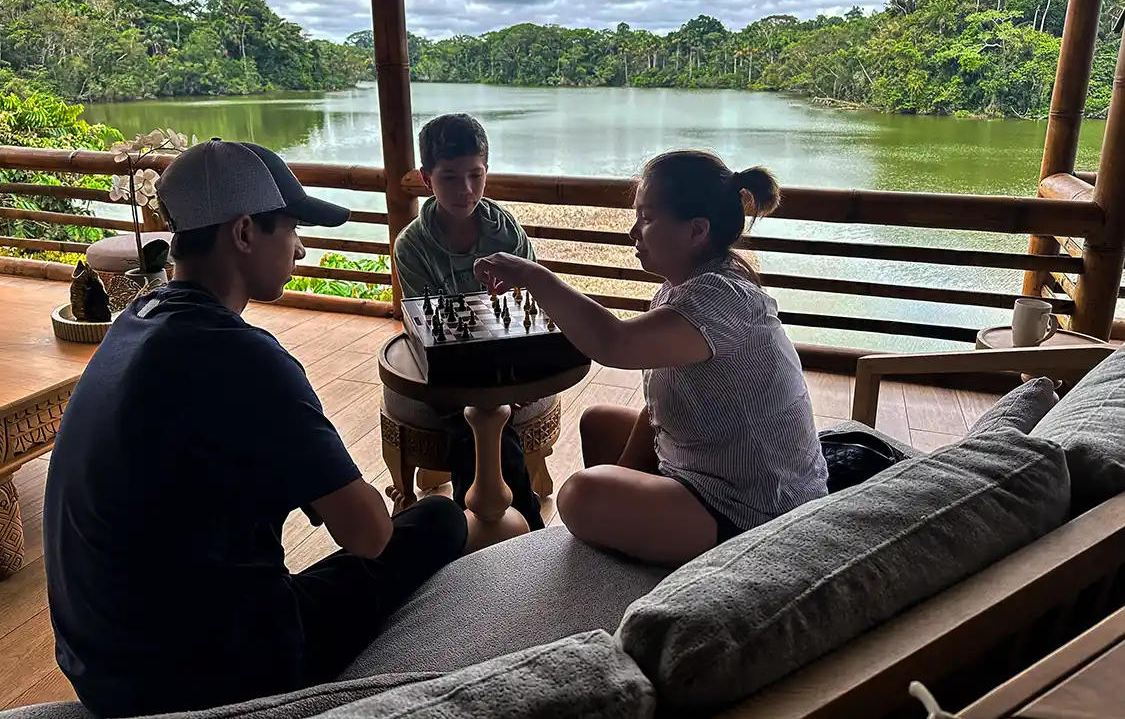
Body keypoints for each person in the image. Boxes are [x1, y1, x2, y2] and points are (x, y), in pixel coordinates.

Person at [42, 138, 468, 719]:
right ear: (244, 233)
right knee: (438, 519)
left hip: (99, 666)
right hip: (211, 674)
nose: (300, 244)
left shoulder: (131, 325)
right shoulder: (243, 356)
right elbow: (369, 535)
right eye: (289, 227)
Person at [474, 148, 829, 567]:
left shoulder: (723, 299)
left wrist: (532, 275)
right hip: (707, 463)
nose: (632, 232)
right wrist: (624, 477)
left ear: (697, 230)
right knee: (597, 423)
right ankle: (635, 536)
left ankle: (648, 544)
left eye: (647, 217)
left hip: (756, 509)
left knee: (579, 495)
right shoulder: (680, 288)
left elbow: (615, 343)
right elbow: (659, 403)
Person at [389, 113, 546, 529]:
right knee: (477, 429)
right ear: (426, 179)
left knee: (487, 426)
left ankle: (478, 528)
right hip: (449, 371)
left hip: (504, 357)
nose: (466, 189)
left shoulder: (504, 229)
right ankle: (517, 524)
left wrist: (518, 377)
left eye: (476, 175)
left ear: (486, 172)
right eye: (450, 177)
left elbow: (530, 300)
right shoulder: (412, 246)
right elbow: (427, 328)